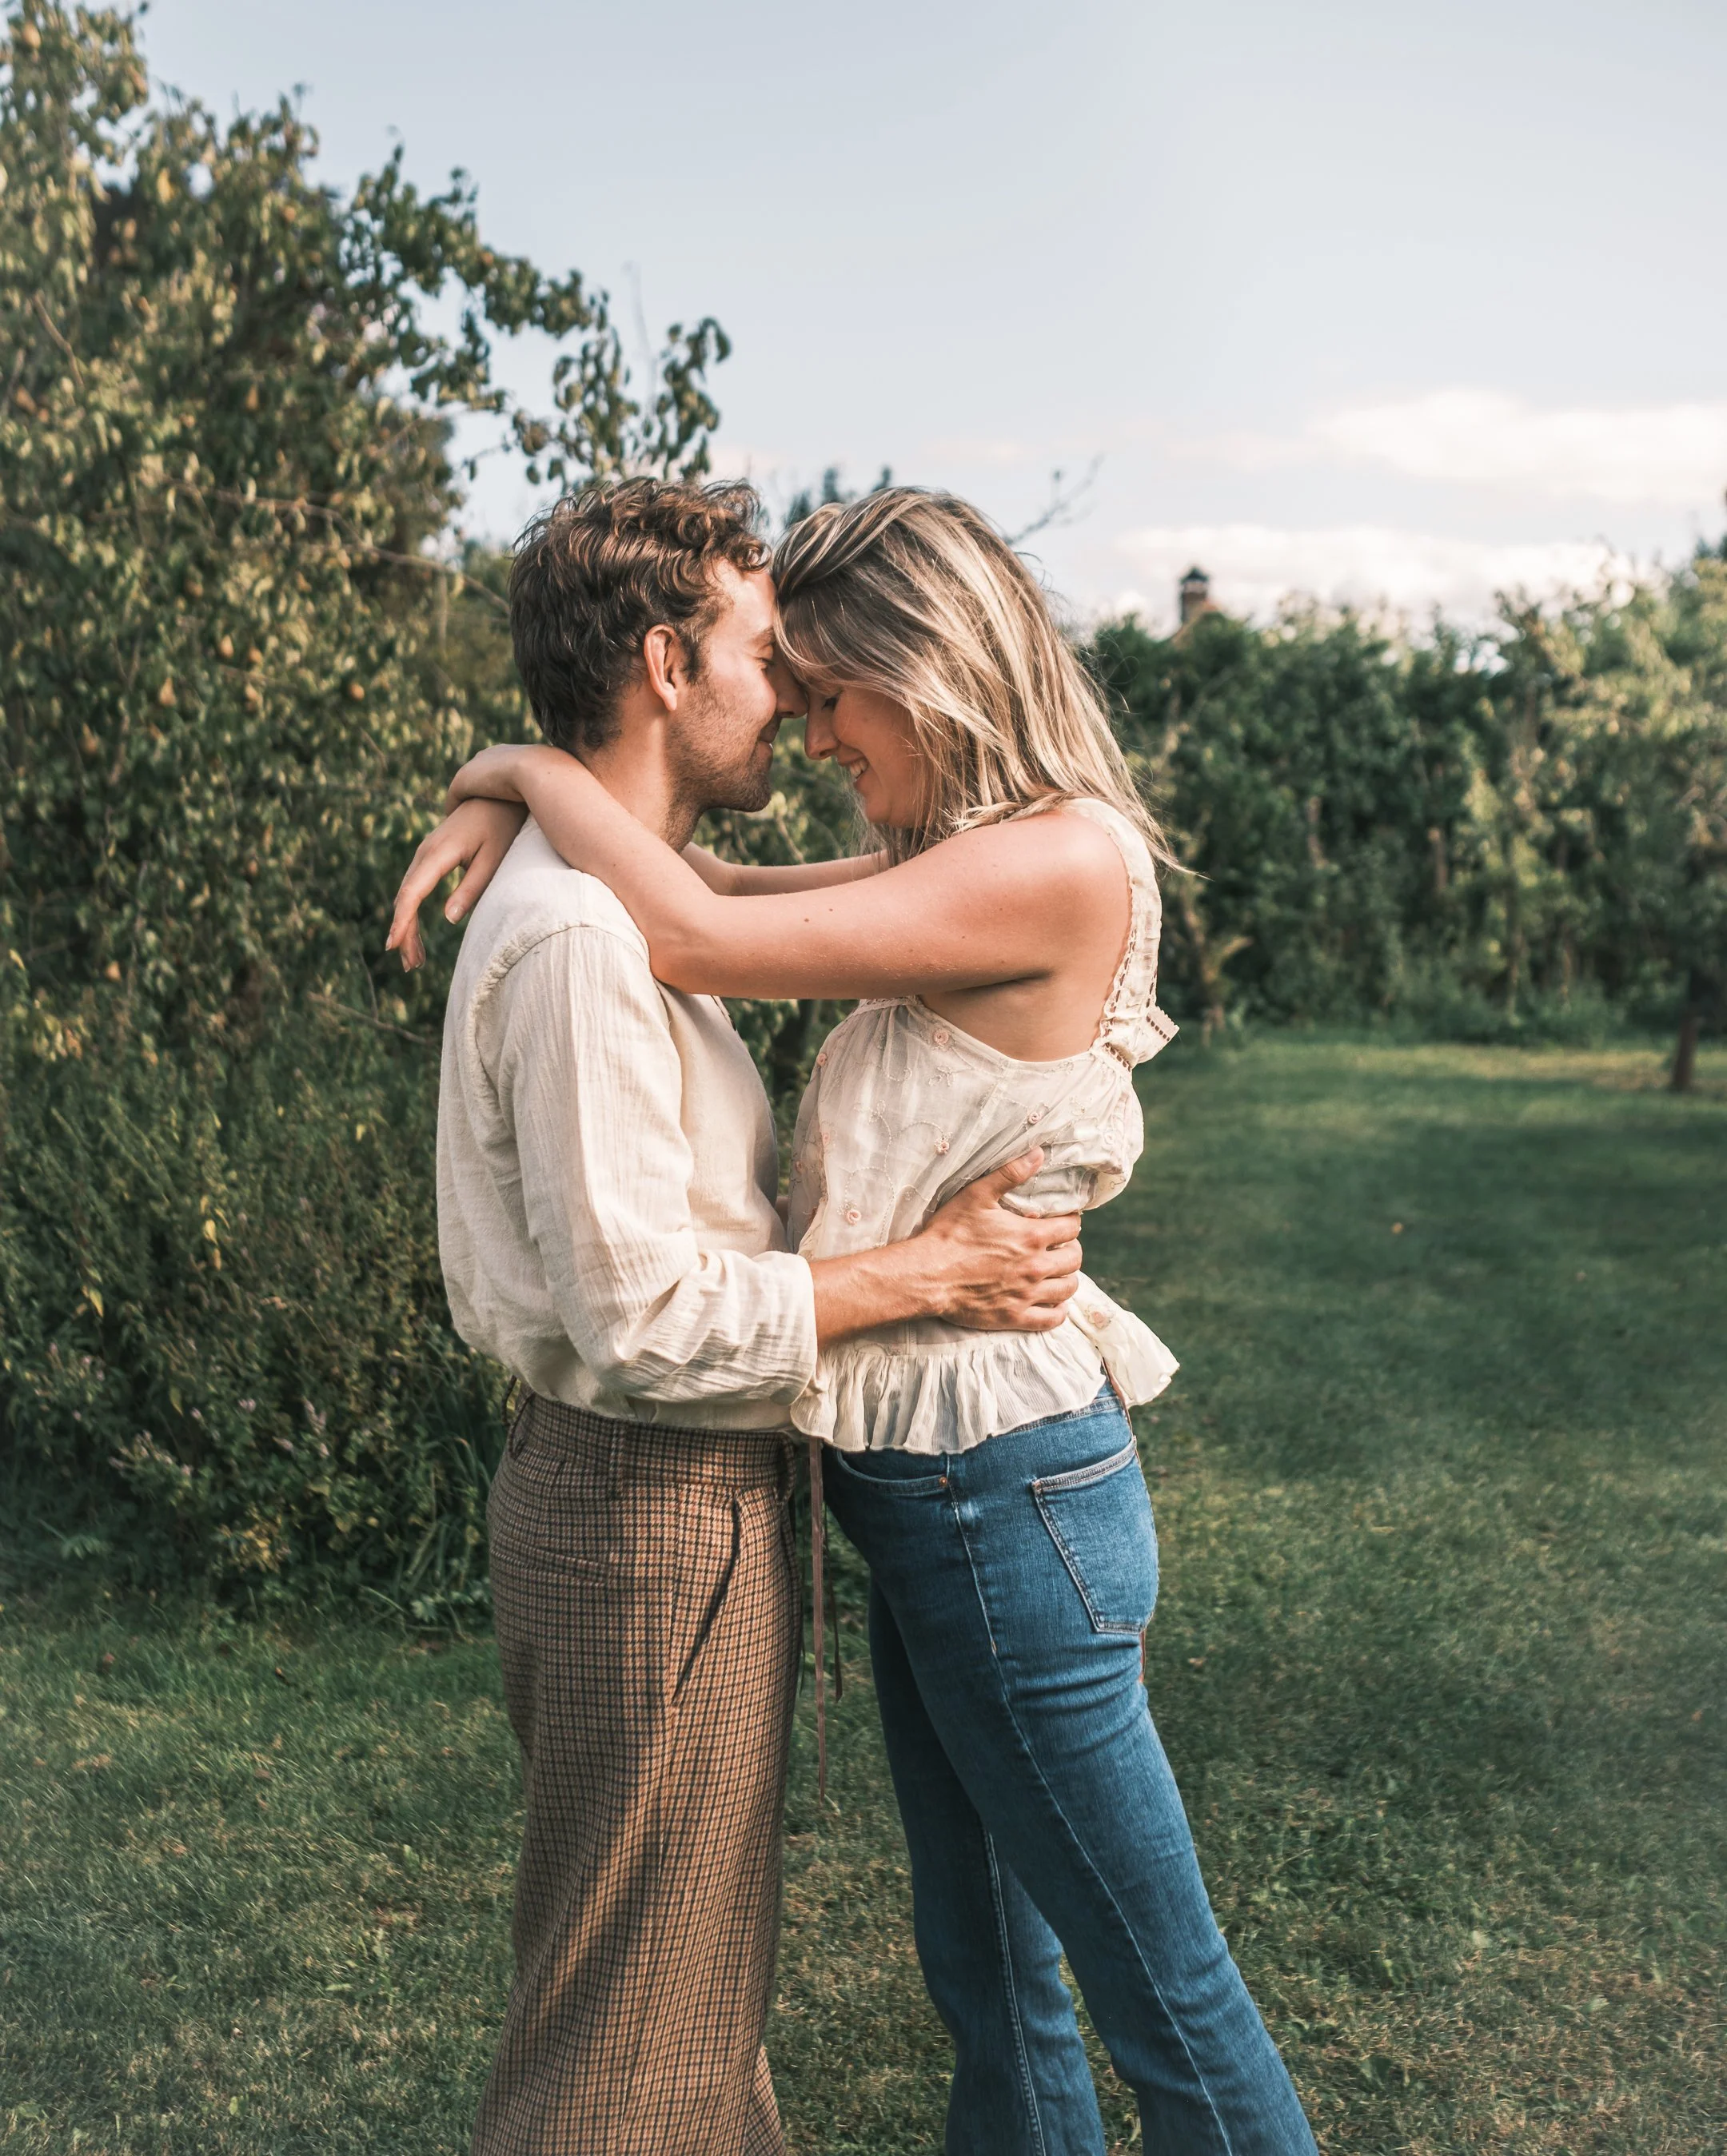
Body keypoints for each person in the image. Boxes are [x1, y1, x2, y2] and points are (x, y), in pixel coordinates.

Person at [397, 484, 1318, 2155]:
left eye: (827, 691)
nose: (812, 727)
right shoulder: (951, 855)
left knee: (1158, 1997)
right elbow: (709, 879)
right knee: (994, 1975)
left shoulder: (1046, 861)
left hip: (1004, 1487)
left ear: (925, 665)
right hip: (927, 1483)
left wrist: (522, 777)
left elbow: (694, 926)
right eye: (784, 679)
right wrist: (523, 802)